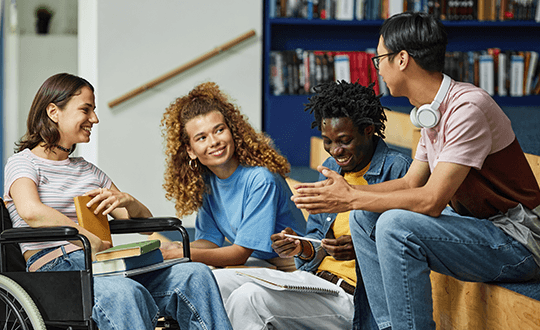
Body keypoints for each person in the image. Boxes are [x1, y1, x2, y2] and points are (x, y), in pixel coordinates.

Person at [291, 12, 540, 330]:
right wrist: (343, 196)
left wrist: (352, 196)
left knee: (395, 224)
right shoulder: (431, 110)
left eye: (379, 58)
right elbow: (410, 182)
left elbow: (431, 200)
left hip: (518, 241)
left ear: (402, 59)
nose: (378, 68)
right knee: (363, 217)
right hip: (478, 227)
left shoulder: (467, 109)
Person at [4, 73, 232, 330]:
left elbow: (144, 225)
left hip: (101, 265)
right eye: (86, 110)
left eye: (94, 110)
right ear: (54, 111)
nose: (95, 119)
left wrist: (129, 201)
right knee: (125, 293)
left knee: (195, 275)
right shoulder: (23, 163)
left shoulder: (89, 171)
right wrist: (84, 237)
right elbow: (31, 211)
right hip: (58, 270)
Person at [212, 81, 412, 330]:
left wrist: (362, 248)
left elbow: (410, 248)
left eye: (344, 140)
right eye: (327, 141)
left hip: (353, 299)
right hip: (314, 281)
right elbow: (316, 240)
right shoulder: (330, 169)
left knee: (249, 298)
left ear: (368, 130)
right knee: (213, 281)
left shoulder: (399, 171)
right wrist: (301, 247)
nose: (335, 150)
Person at [160, 82, 306, 270]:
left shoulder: (261, 179)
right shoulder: (207, 182)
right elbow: (209, 241)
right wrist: (177, 247)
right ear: (190, 150)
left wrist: (182, 253)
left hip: (293, 265)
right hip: (260, 261)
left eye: (219, 130)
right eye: (201, 138)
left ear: (232, 131)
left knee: (209, 281)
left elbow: (238, 255)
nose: (214, 142)